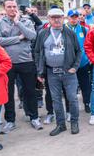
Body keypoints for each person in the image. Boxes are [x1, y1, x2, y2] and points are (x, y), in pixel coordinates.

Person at [0, 0, 43, 133]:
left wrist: (18, 23)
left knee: (30, 91)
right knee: (8, 93)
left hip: (26, 61)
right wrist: (19, 38)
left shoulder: (26, 21)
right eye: (9, 6)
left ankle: (34, 117)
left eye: (14, 6)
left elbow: (32, 36)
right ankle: (10, 121)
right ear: (4, 8)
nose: (12, 9)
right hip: (7, 63)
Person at [34, 8, 82, 136]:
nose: (56, 20)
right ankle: (60, 125)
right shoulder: (43, 33)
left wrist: (75, 67)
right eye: (53, 17)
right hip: (51, 72)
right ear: (48, 19)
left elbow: (79, 51)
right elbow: (37, 52)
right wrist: (40, 71)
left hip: (69, 72)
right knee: (56, 100)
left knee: (72, 98)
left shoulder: (70, 33)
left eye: (59, 17)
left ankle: (74, 122)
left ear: (63, 18)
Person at [66, 9, 92, 113]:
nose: (74, 19)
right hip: (69, 64)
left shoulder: (84, 29)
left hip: (82, 63)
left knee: (85, 85)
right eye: (72, 17)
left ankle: (86, 103)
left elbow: (89, 45)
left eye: (76, 17)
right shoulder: (63, 29)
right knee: (69, 88)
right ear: (67, 18)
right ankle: (70, 108)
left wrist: (89, 58)